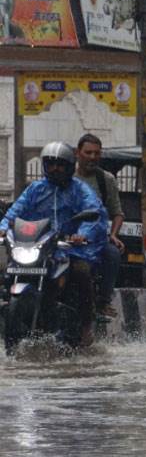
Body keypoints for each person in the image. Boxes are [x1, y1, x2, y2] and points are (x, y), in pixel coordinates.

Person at [0, 141, 109, 346]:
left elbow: (93, 216)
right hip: (37, 245)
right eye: (50, 164)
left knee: (82, 272)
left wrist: (81, 235)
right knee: (7, 270)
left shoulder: (81, 190)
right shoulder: (35, 189)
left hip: (69, 248)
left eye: (60, 164)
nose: (55, 168)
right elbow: (16, 211)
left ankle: (86, 325)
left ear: (69, 166)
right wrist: (4, 226)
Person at [74, 133, 123, 320]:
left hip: (95, 239)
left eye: (96, 153)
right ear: (77, 153)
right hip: (66, 238)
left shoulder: (106, 179)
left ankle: (103, 301)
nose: (92, 157)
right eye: (88, 153)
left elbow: (117, 212)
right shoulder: (65, 178)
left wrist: (113, 235)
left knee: (112, 254)